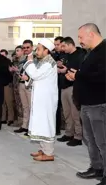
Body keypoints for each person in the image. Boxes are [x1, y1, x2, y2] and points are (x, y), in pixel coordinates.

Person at [66, 23, 106, 185]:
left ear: (91, 34)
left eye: (81, 37)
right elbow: (86, 75)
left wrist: (79, 76)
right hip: (86, 103)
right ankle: (96, 167)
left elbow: (101, 76)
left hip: (99, 104)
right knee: (90, 139)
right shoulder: (89, 53)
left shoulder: (104, 51)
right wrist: (76, 77)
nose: (79, 40)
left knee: (102, 141)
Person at [25, 38, 58, 162]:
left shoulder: (49, 63)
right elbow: (37, 78)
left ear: (46, 50)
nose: (36, 51)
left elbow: (35, 74)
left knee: (46, 124)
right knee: (41, 124)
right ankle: (43, 150)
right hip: (41, 99)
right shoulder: (43, 62)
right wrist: (27, 79)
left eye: (38, 49)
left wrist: (29, 62)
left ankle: (49, 153)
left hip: (46, 100)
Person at [56, 36, 85, 146]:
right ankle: (69, 133)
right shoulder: (66, 56)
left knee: (75, 113)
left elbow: (78, 71)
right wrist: (61, 67)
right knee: (67, 112)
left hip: (73, 87)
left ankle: (78, 136)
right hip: (64, 86)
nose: (62, 48)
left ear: (70, 44)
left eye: (63, 46)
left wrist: (65, 70)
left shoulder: (80, 55)